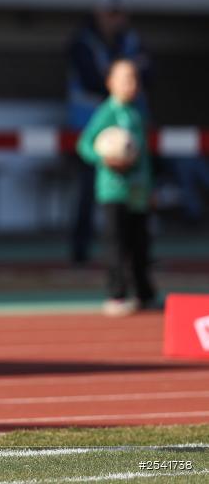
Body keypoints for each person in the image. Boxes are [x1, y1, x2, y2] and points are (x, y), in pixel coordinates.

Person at [67, 0, 151, 264]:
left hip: (130, 148)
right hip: (88, 126)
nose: (113, 20)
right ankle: (82, 251)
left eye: (117, 14)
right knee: (88, 195)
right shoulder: (84, 43)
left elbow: (149, 69)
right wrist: (104, 153)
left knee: (137, 203)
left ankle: (136, 257)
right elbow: (89, 77)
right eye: (108, 14)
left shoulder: (131, 41)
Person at [77, 59, 155, 317]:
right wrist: (105, 158)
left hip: (137, 192)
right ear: (110, 82)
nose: (131, 84)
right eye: (124, 79)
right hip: (113, 191)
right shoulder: (106, 113)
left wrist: (149, 187)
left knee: (140, 244)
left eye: (134, 79)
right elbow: (85, 145)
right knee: (116, 244)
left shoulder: (136, 114)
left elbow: (143, 158)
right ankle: (116, 293)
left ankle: (144, 293)